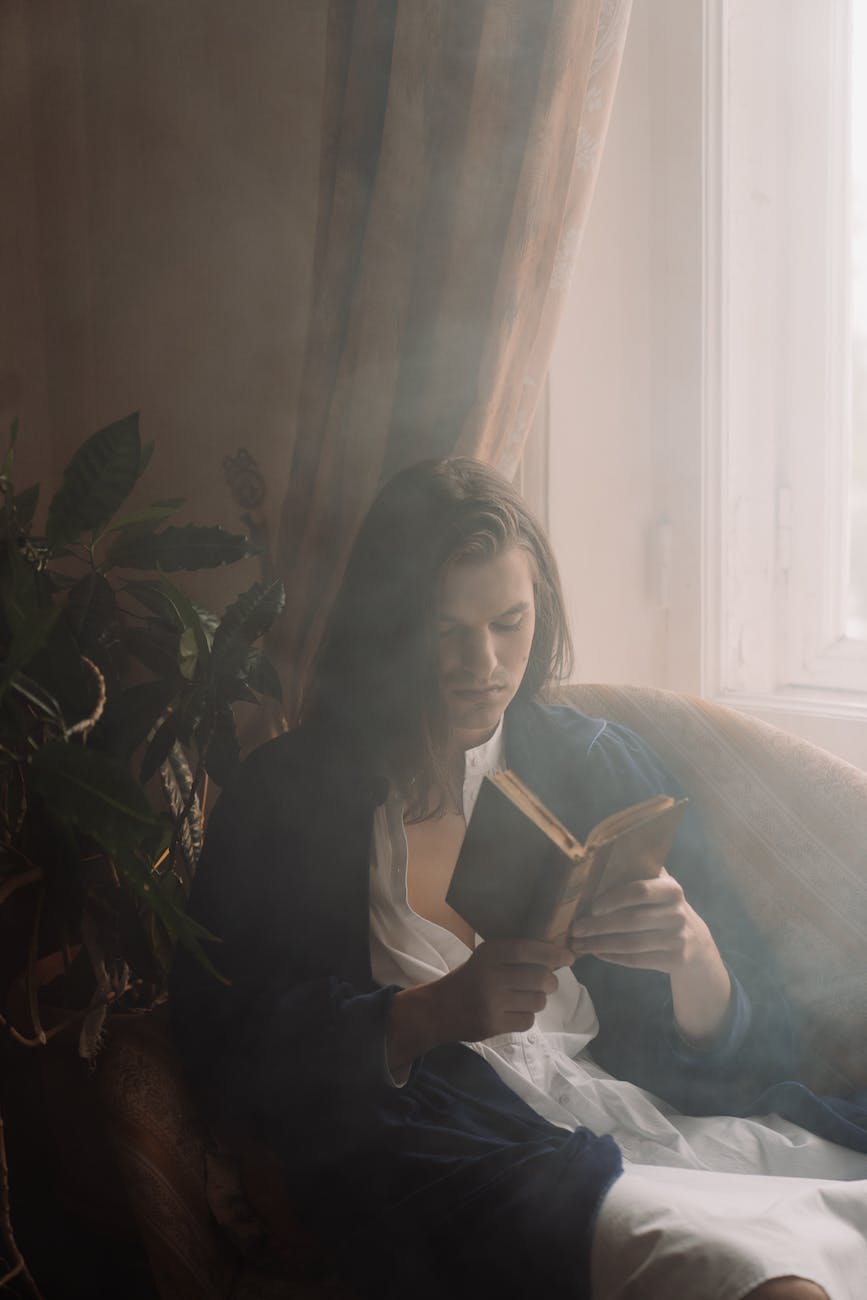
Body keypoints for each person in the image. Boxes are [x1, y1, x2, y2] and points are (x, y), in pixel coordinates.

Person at [171, 458, 867, 1300]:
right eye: (445, 630)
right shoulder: (288, 795)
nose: (485, 663)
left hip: (653, 1124)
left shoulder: (601, 764)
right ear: (387, 626)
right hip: (465, 1157)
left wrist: (695, 963)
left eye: (510, 621)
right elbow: (215, 1033)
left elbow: (764, 1050)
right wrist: (423, 1015)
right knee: (765, 1281)